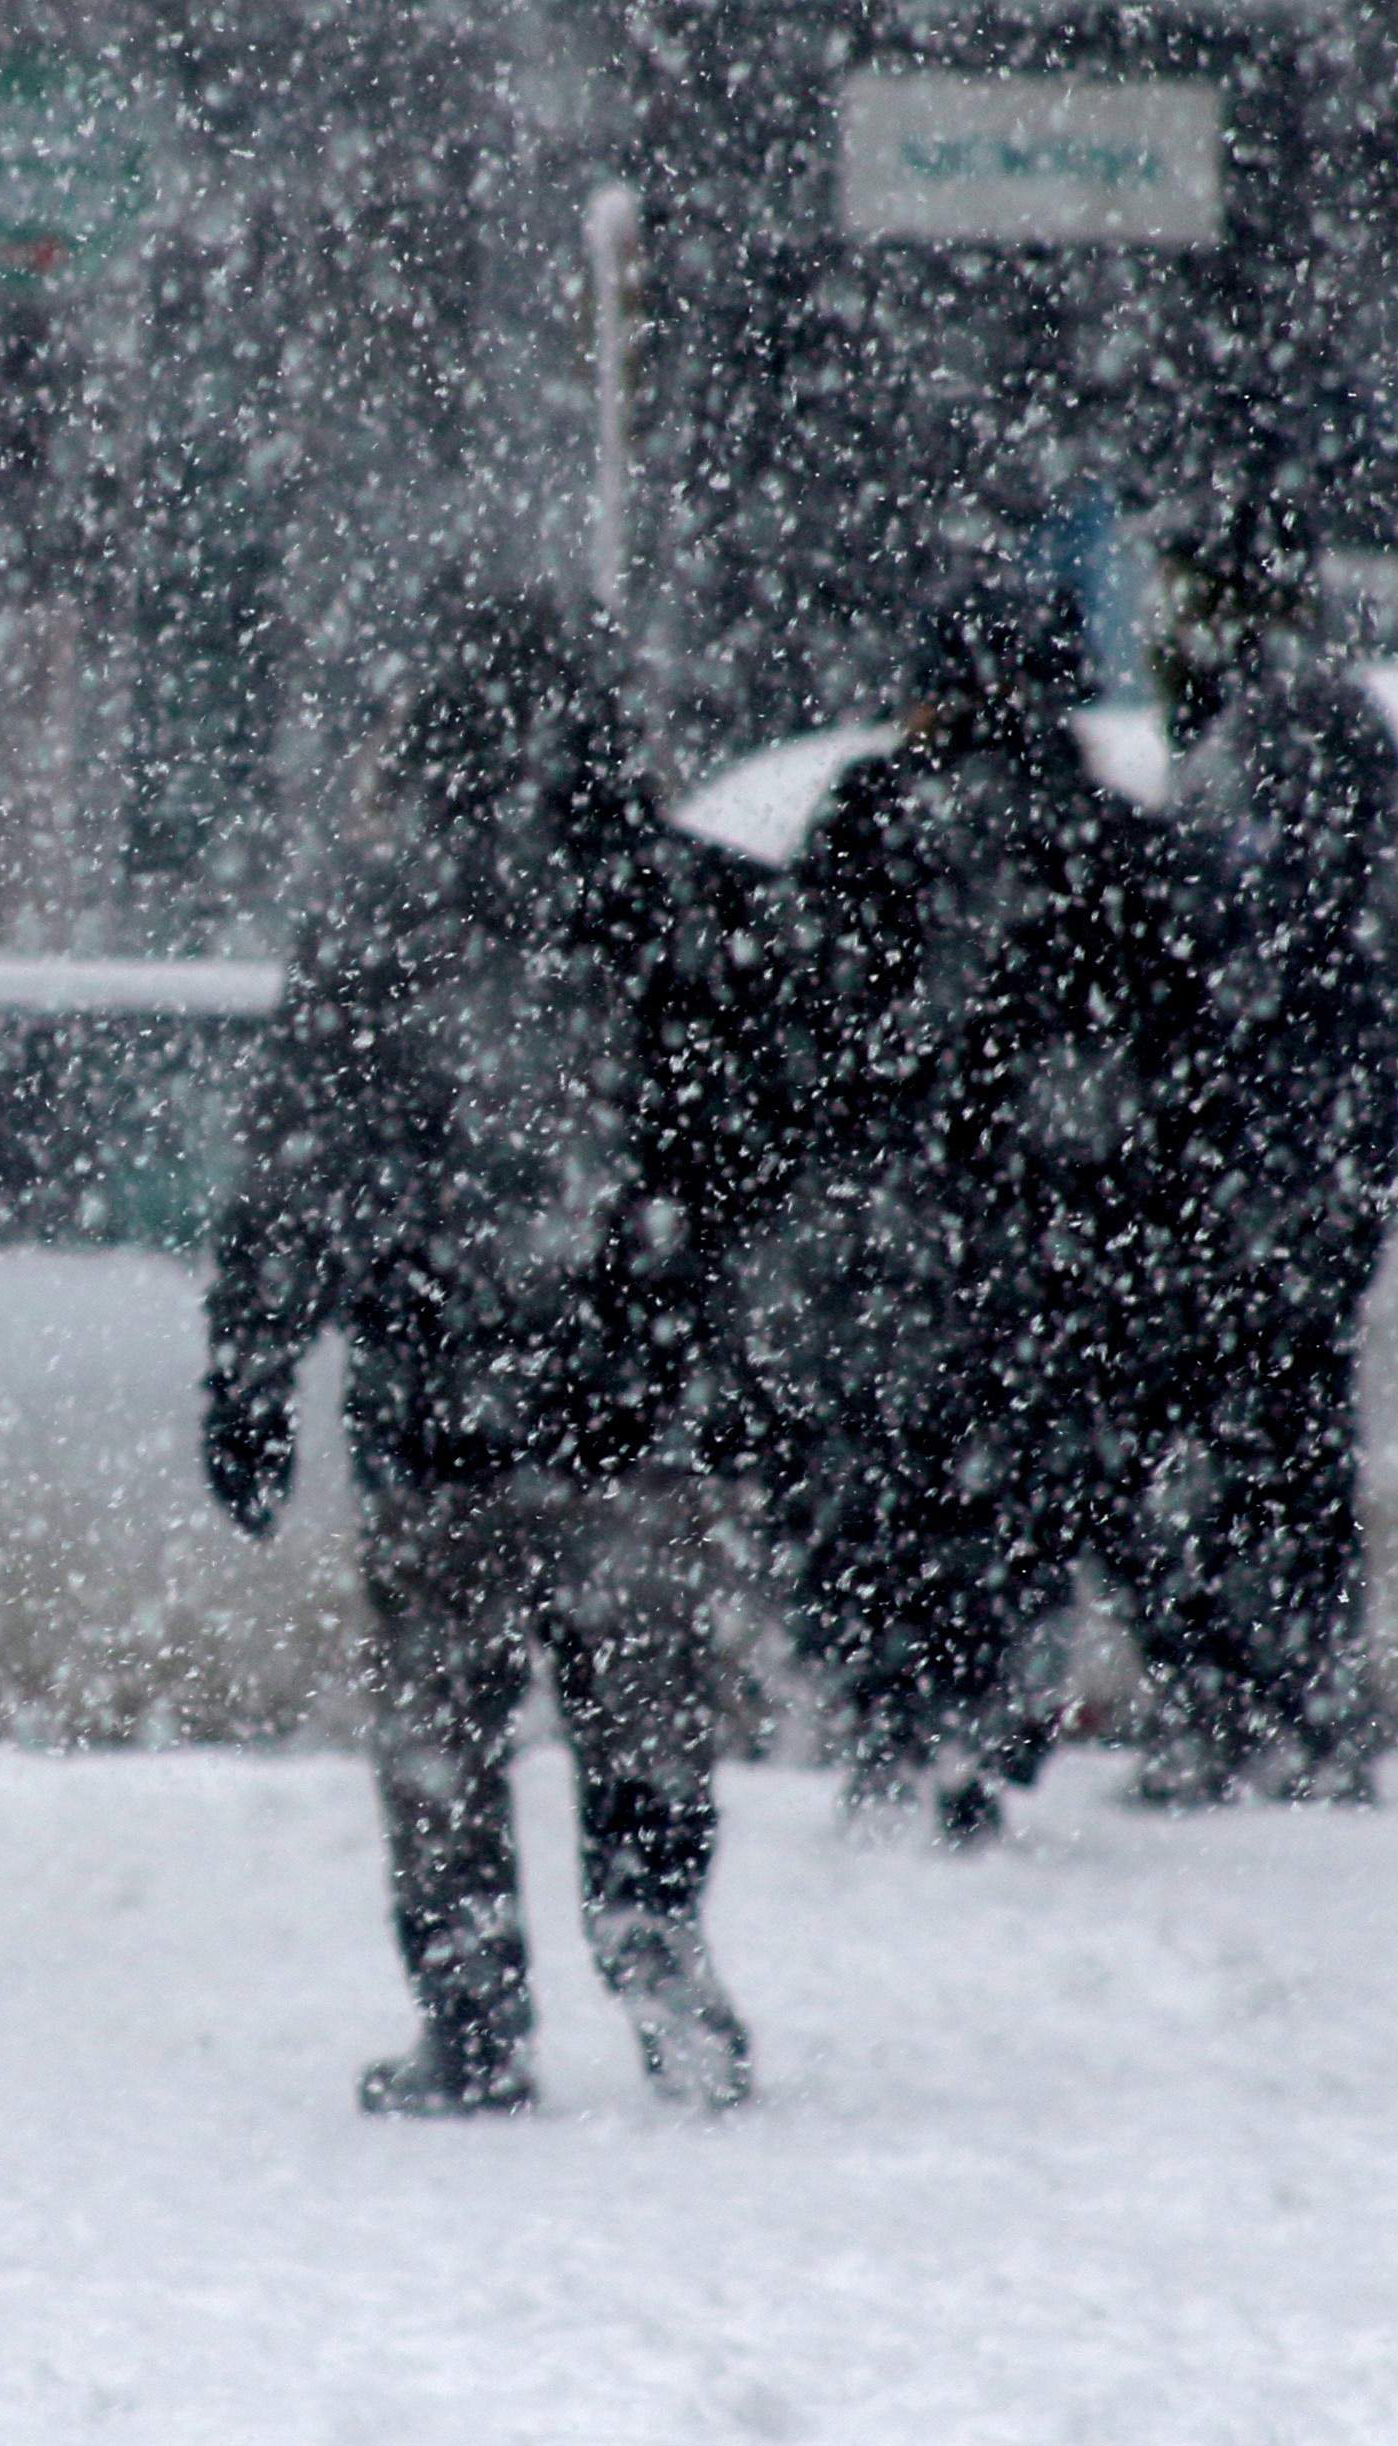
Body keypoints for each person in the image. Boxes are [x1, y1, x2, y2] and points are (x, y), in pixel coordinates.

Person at [204, 590, 750, 2120]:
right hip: (634, 1409)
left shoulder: (377, 919)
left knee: (441, 1743)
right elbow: (759, 1157)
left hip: (438, 1408)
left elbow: (292, 1173)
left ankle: (471, 2018)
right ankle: (656, 1949)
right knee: (644, 1722)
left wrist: (248, 1373)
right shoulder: (679, 906)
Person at [764, 577, 1213, 1848]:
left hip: (885, 1232)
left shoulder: (865, 816)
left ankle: (881, 1715)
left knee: (874, 1488)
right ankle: (984, 1730)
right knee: (1021, 1496)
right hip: (1056, 1240)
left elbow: (797, 1013)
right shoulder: (1110, 837)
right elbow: (1177, 1054)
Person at [1145, 491, 1398, 1802]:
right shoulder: (1290, 721)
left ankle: (1268, 1710)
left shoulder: (1289, 729)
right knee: (1274, 1438)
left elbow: (1258, 944)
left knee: (1266, 1438)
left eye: (1174, 585)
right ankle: (1270, 1704)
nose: (1154, 620)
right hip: (1288, 1157)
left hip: (1272, 1162)